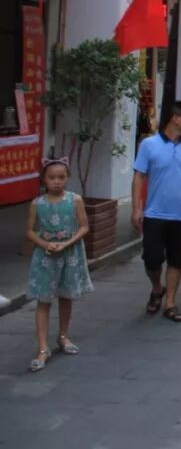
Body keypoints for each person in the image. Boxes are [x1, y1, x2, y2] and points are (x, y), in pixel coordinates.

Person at [132, 100, 181, 323]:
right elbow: (139, 176)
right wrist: (136, 208)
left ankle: (170, 303)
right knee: (151, 259)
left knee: (176, 260)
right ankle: (157, 287)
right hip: (154, 213)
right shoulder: (149, 145)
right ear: (175, 118)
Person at [25, 158, 92, 372]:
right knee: (43, 301)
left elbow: (84, 227)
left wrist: (67, 243)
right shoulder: (37, 203)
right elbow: (30, 231)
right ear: (44, 179)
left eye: (61, 177)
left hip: (70, 254)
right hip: (45, 257)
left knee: (66, 297)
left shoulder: (75, 200)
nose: (56, 181)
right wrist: (45, 243)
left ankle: (63, 335)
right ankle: (43, 348)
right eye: (52, 177)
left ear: (67, 178)